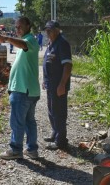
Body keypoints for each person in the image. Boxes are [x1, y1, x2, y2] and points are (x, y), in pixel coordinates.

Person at [0, 17, 41, 160]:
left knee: (17, 121)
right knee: (29, 121)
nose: (17, 29)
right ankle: (32, 150)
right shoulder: (25, 42)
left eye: (20, 26)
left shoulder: (30, 41)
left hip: (23, 90)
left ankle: (16, 149)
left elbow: (22, 44)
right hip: (28, 90)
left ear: (28, 25)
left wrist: (6, 38)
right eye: (16, 27)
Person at [42, 21, 72, 150]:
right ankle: (55, 133)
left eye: (51, 30)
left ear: (58, 30)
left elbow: (68, 65)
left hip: (58, 85)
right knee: (51, 110)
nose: (48, 32)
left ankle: (61, 141)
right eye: (47, 30)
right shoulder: (50, 44)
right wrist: (44, 79)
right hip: (50, 84)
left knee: (59, 112)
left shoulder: (62, 43)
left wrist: (62, 84)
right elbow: (47, 63)